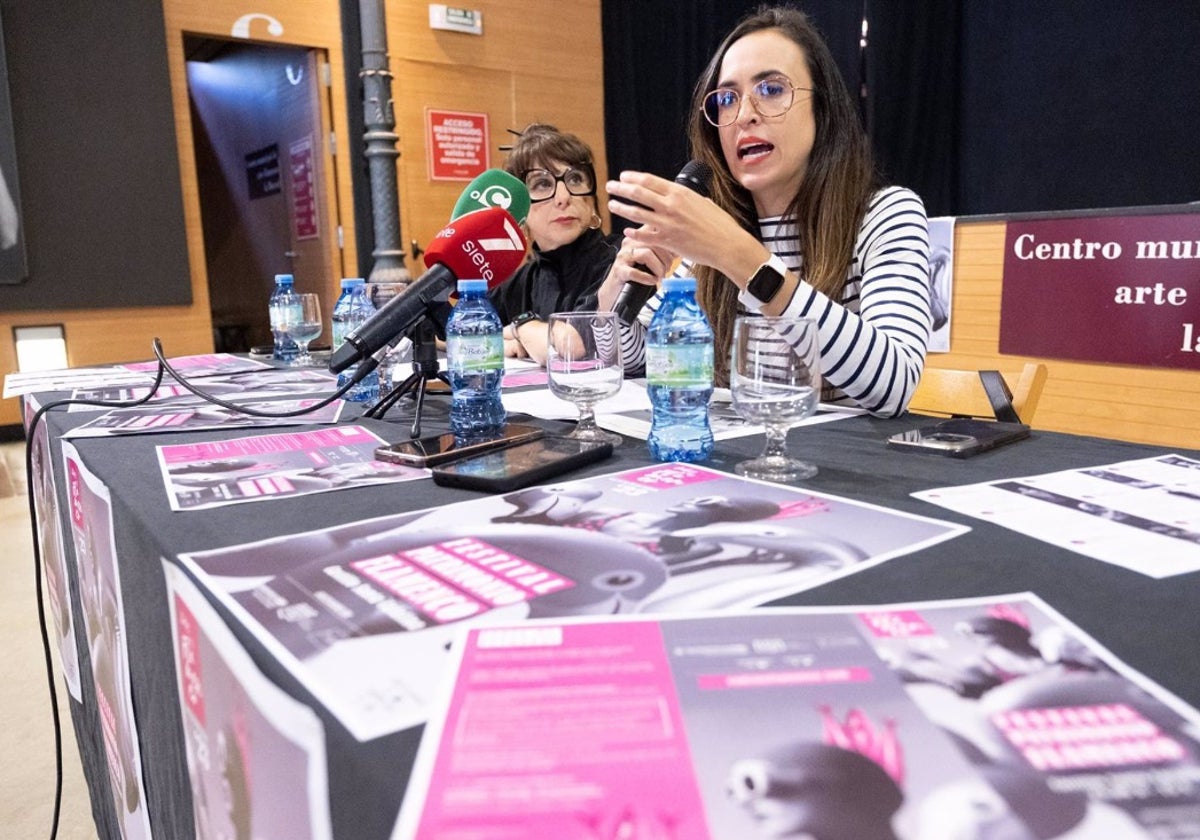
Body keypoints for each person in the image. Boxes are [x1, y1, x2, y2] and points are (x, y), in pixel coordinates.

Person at [598, 5, 931, 417]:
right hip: (738, 465)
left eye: (771, 90)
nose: (744, 114)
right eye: (726, 99)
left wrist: (739, 257)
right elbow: (637, 362)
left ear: (822, 111)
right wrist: (615, 292)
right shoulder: (715, 224)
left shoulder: (887, 213)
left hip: (840, 470)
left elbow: (892, 385)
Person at [487, 123, 642, 373]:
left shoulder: (621, 259)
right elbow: (454, 334)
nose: (563, 196)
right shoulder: (522, 279)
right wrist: (499, 344)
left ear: (591, 200)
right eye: (542, 184)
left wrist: (521, 326)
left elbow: (571, 345)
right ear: (519, 211)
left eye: (575, 179)